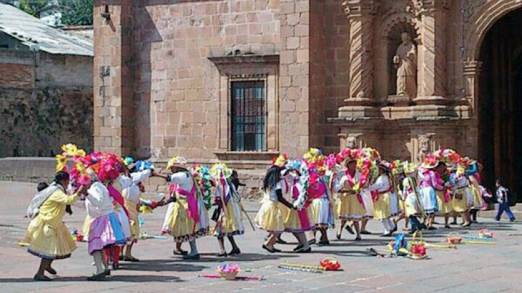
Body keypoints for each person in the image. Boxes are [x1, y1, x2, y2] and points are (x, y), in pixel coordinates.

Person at [24, 171, 86, 281]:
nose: (68, 183)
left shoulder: (57, 189)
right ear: (63, 181)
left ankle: (47, 266)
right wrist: (79, 192)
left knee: (58, 247)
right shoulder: (56, 192)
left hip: (54, 223)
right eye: (68, 181)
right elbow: (68, 200)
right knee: (48, 250)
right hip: (47, 224)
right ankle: (40, 273)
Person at [162, 156, 209, 260]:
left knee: (187, 228)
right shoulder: (187, 175)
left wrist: (154, 174)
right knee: (185, 227)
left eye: (172, 168)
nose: (171, 170)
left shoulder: (181, 175)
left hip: (185, 206)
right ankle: (181, 249)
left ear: (177, 168)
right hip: (186, 204)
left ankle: (194, 251)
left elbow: (168, 178)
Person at [85, 168, 127, 281]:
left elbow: (98, 201)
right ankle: (104, 268)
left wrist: (86, 194)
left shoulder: (96, 187)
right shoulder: (97, 186)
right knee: (100, 245)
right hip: (103, 217)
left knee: (96, 245)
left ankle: (100, 270)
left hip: (102, 218)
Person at [256, 164, 295, 253]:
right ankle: (268, 243)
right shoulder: (277, 184)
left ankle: (271, 245)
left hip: (268, 205)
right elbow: (280, 198)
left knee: (275, 227)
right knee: (279, 228)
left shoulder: (268, 183)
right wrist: (290, 206)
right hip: (273, 206)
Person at [212, 164, 244, 257]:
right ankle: (235, 247)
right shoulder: (230, 185)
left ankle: (222, 250)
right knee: (228, 229)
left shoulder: (220, 185)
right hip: (232, 210)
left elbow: (219, 200)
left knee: (219, 230)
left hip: (225, 210)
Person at [334, 157, 367, 241]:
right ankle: (339, 232)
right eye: (352, 164)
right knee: (344, 218)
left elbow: (362, 184)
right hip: (345, 197)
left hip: (355, 197)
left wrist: (358, 189)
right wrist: (345, 190)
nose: (354, 165)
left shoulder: (358, 174)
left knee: (355, 218)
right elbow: (337, 187)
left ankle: (358, 235)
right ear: (348, 165)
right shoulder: (342, 174)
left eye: (355, 164)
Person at [368, 161, 396, 237]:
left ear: (382, 170)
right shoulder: (387, 177)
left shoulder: (382, 178)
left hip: (382, 197)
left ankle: (387, 230)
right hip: (385, 196)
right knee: (386, 214)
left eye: (379, 169)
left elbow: (376, 186)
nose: (378, 171)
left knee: (382, 215)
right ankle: (392, 226)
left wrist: (368, 185)